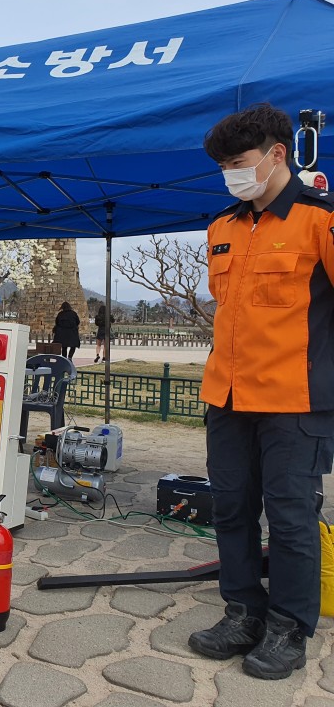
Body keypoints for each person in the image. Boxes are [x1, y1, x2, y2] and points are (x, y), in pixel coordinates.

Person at [187, 103, 334, 680]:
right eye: (223, 165)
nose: (231, 173)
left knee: (293, 517)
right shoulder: (222, 227)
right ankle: (243, 611)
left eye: (239, 162)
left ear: (279, 154)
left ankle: (288, 627)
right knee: (231, 508)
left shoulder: (319, 220)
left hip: (295, 402)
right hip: (226, 397)